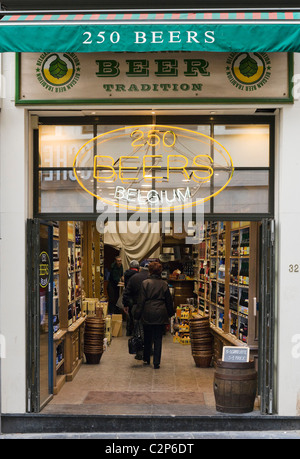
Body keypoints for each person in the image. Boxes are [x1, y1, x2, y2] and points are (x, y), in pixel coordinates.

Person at [135, 261, 174, 369]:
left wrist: (137, 315)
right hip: (160, 313)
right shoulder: (164, 284)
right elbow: (168, 301)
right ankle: (156, 362)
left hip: (147, 312)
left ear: (150, 270)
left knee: (147, 337)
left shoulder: (145, 283)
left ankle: (146, 358)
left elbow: (141, 301)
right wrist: (171, 313)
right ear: (160, 271)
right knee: (158, 338)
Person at [123, 260, 150, 353]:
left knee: (138, 327)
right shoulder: (153, 279)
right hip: (149, 307)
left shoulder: (134, 278)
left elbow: (126, 292)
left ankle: (139, 350)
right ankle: (148, 349)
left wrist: (126, 304)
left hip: (136, 305)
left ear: (141, 268)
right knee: (149, 329)